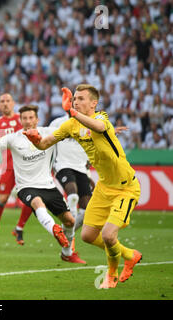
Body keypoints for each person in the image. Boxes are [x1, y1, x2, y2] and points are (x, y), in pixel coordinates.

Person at [25, 84, 142, 288]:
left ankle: (111, 274)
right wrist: (35, 140)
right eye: (74, 98)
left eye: (80, 99)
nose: (75, 101)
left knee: (107, 234)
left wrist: (71, 112)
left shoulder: (101, 119)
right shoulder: (71, 125)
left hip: (125, 188)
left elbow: (98, 128)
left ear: (93, 103)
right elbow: (45, 143)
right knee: (88, 235)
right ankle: (130, 255)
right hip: (104, 188)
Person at [0, 105, 86, 264]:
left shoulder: (48, 133)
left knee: (70, 221)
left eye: (31, 118)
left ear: (37, 119)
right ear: (20, 120)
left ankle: (67, 252)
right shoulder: (14, 138)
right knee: (37, 203)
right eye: (24, 118)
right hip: (26, 187)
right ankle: (54, 230)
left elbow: (77, 129)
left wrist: (105, 131)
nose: (28, 121)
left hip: (48, 185)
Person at [0, 93, 32, 249]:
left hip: (25, 166)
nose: (5, 104)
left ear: (13, 103)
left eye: (8, 101)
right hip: (9, 167)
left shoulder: (22, 118)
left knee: (33, 199)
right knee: (2, 200)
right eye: (2, 101)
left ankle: (19, 228)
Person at [49, 114, 93, 254]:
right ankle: (69, 237)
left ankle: (66, 231)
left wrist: (90, 160)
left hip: (81, 167)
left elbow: (92, 145)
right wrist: (50, 164)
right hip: (62, 165)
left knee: (87, 210)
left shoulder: (88, 124)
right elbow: (49, 143)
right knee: (72, 195)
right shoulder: (57, 122)